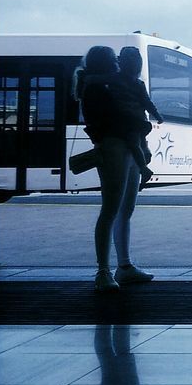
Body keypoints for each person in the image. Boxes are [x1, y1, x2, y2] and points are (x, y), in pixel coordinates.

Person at [77, 45, 155, 291]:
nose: (118, 62)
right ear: (104, 62)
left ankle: (122, 267)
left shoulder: (104, 85)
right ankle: (105, 270)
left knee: (123, 209)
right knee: (112, 209)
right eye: (113, 59)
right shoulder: (98, 87)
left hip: (124, 148)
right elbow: (125, 119)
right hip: (114, 148)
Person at [112, 46, 163, 187]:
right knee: (140, 144)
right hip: (138, 121)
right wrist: (157, 115)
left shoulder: (114, 81)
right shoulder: (138, 84)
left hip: (128, 122)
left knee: (135, 144)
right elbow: (147, 103)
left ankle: (144, 169)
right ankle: (143, 167)